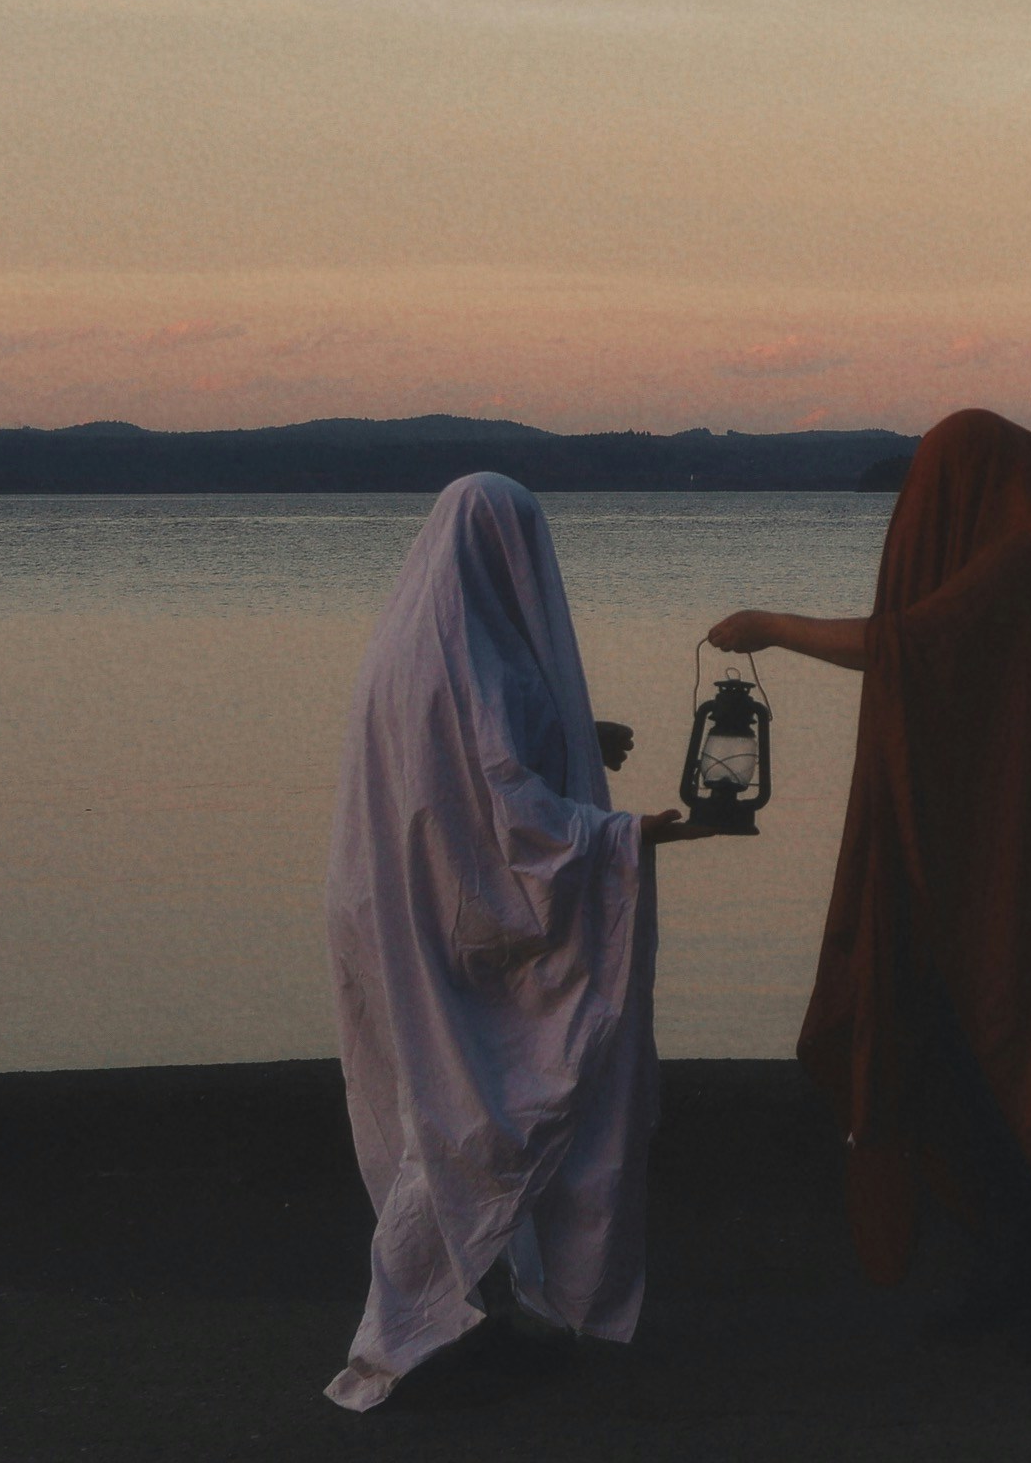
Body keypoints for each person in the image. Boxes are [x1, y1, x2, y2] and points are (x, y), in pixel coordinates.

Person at [709, 407, 1031, 1354]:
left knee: (1004, 1046)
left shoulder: (1024, 559)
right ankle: (1017, 1271)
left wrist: (770, 628)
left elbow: (908, 646)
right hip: (1001, 854)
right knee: (963, 1045)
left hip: (1010, 873)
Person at [323, 472, 697, 1412]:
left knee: (442, 1107)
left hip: (390, 904)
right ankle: (397, 1344)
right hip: (446, 914)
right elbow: (506, 811)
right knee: (470, 1117)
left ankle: (460, 1318)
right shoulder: (467, 658)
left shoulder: (419, 634)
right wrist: (628, 836)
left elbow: (464, 762)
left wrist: (580, 735)